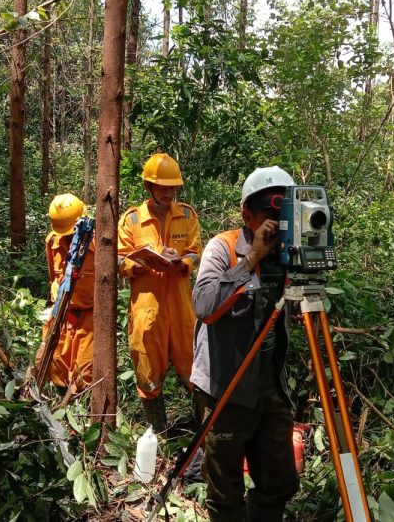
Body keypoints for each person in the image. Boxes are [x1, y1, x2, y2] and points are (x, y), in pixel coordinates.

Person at [190, 166, 300, 521]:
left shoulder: (289, 254)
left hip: (270, 390)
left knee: (279, 482)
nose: (277, 227)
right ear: (247, 216)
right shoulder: (222, 248)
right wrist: (251, 257)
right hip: (226, 391)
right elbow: (204, 307)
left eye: (283, 218)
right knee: (225, 494)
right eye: (269, 217)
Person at [117, 153, 202, 432]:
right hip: (146, 307)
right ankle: (159, 434)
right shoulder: (131, 220)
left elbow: (195, 252)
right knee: (147, 368)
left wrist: (182, 261)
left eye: (173, 187)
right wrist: (138, 263)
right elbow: (118, 259)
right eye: (162, 187)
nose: (168, 193)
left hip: (180, 305)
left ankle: (204, 432)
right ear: (149, 187)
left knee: (193, 364)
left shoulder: (187, 214)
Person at [34, 193, 95, 389]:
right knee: (55, 365)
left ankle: (80, 404)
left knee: (84, 371)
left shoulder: (96, 243)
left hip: (88, 315)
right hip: (62, 312)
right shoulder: (53, 242)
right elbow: (54, 276)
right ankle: (57, 404)